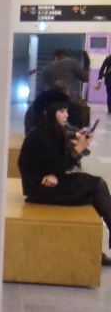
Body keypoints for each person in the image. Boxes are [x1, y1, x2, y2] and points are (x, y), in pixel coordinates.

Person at [18, 100, 111, 265]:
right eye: (61, 111)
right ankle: (95, 250)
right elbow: (60, 165)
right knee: (97, 186)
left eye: (66, 111)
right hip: (42, 188)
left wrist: (75, 138)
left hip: (49, 181)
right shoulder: (40, 136)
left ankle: (94, 250)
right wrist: (79, 148)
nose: (66, 115)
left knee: (93, 192)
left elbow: (54, 161)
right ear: (49, 113)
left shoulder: (49, 130)